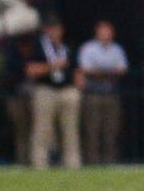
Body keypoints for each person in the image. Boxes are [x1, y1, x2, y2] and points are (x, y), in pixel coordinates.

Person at [24, 24, 80, 169]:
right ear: (46, 30)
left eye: (58, 29)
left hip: (67, 89)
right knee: (43, 128)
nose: (55, 32)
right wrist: (52, 66)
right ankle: (39, 162)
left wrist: (78, 87)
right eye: (52, 29)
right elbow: (31, 70)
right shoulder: (39, 48)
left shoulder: (67, 47)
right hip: (46, 89)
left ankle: (72, 162)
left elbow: (77, 69)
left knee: (70, 128)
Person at [77, 19, 129, 165]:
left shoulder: (117, 49)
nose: (105, 34)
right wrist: (108, 72)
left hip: (111, 94)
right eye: (102, 31)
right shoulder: (88, 48)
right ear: (97, 33)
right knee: (92, 129)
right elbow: (86, 70)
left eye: (108, 31)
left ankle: (110, 161)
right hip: (93, 94)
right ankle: (92, 162)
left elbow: (122, 70)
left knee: (111, 129)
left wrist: (99, 72)